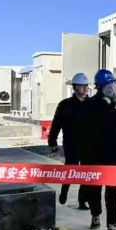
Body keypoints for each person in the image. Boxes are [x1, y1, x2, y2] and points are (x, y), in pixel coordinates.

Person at [81, 69, 116, 230]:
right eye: (109, 84)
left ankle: (111, 225)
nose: (113, 87)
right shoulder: (91, 104)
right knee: (94, 188)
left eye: (113, 83)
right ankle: (95, 214)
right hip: (95, 154)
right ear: (100, 87)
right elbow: (95, 123)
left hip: (115, 155)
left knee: (113, 192)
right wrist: (113, 110)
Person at [48, 72, 90, 209]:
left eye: (86, 85)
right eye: (82, 86)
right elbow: (56, 124)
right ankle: (64, 191)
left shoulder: (91, 104)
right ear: (75, 87)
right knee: (70, 169)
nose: (85, 88)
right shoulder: (65, 105)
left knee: (86, 173)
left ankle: (82, 201)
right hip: (72, 144)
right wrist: (52, 141)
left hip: (88, 145)